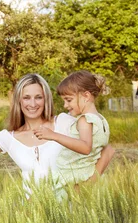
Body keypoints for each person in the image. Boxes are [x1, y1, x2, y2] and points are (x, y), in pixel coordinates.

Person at [33, 70, 110, 199]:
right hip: (86, 174)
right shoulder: (101, 120)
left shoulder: (84, 120)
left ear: (86, 96)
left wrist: (54, 135)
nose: (65, 105)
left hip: (72, 178)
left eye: (69, 100)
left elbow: (86, 147)